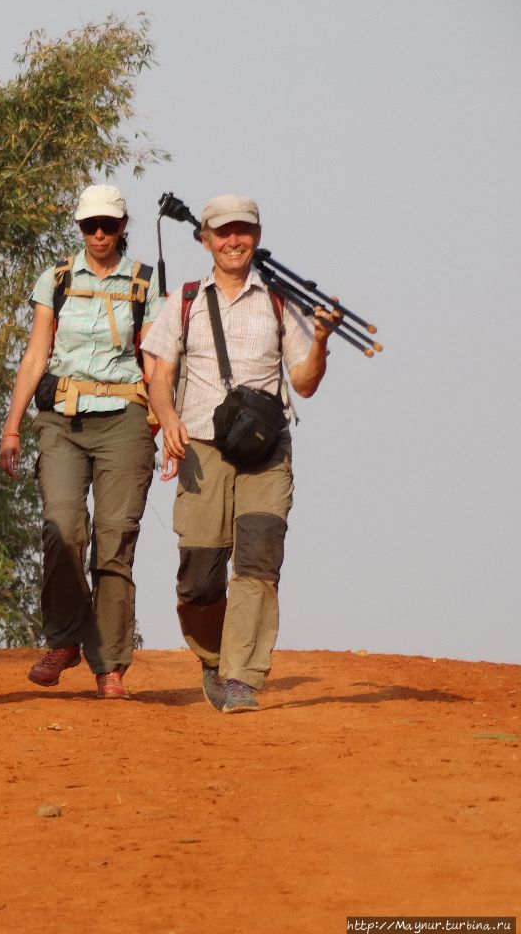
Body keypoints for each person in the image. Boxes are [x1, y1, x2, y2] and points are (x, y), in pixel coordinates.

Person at [141, 194, 338, 713]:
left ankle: (241, 678)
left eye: (243, 231)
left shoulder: (279, 301)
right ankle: (213, 656)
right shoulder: (183, 300)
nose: (234, 241)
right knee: (199, 576)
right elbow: (160, 378)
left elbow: (305, 382)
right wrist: (169, 420)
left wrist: (319, 340)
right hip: (202, 448)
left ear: (256, 235)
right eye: (223, 232)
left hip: (267, 451)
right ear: (205, 238)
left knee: (258, 561)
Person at [0, 184, 162, 698]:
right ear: (78, 228)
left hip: (125, 420)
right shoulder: (58, 278)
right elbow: (35, 355)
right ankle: (64, 638)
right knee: (62, 527)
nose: (98, 234)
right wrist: (11, 426)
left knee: (115, 541)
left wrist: (166, 421)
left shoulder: (144, 284)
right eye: (89, 225)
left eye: (107, 225)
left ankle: (109, 663)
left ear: (122, 227)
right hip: (62, 420)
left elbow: (157, 362)